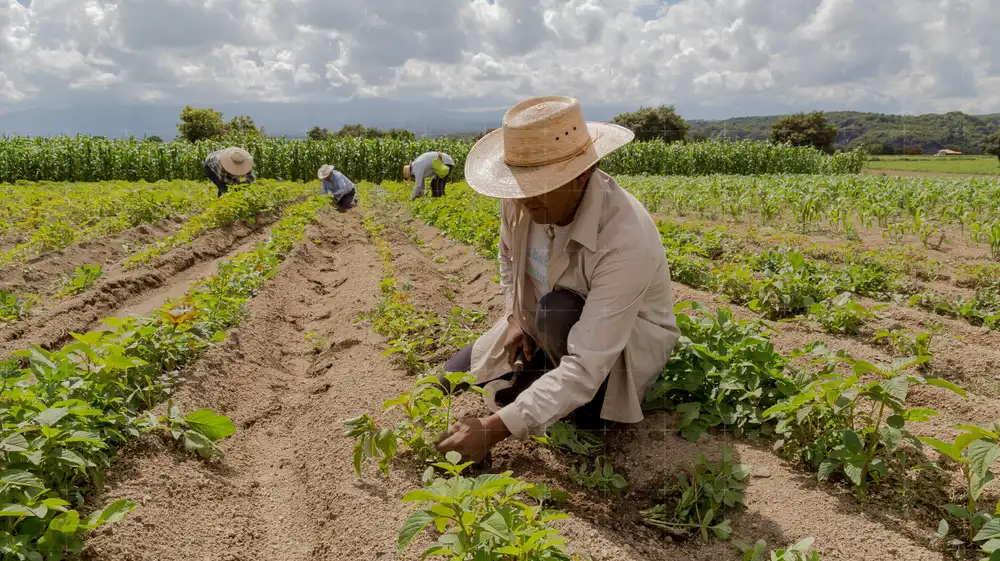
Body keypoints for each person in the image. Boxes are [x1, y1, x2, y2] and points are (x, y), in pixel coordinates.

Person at [435, 95, 681, 463]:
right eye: (519, 185)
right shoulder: (519, 201)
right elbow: (507, 257)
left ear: (580, 174)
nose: (523, 198)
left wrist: (492, 430)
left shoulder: (626, 237)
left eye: (539, 185)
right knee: (447, 379)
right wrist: (515, 316)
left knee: (557, 311)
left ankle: (585, 412)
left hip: (612, 351)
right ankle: (539, 374)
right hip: (541, 325)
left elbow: (585, 366)